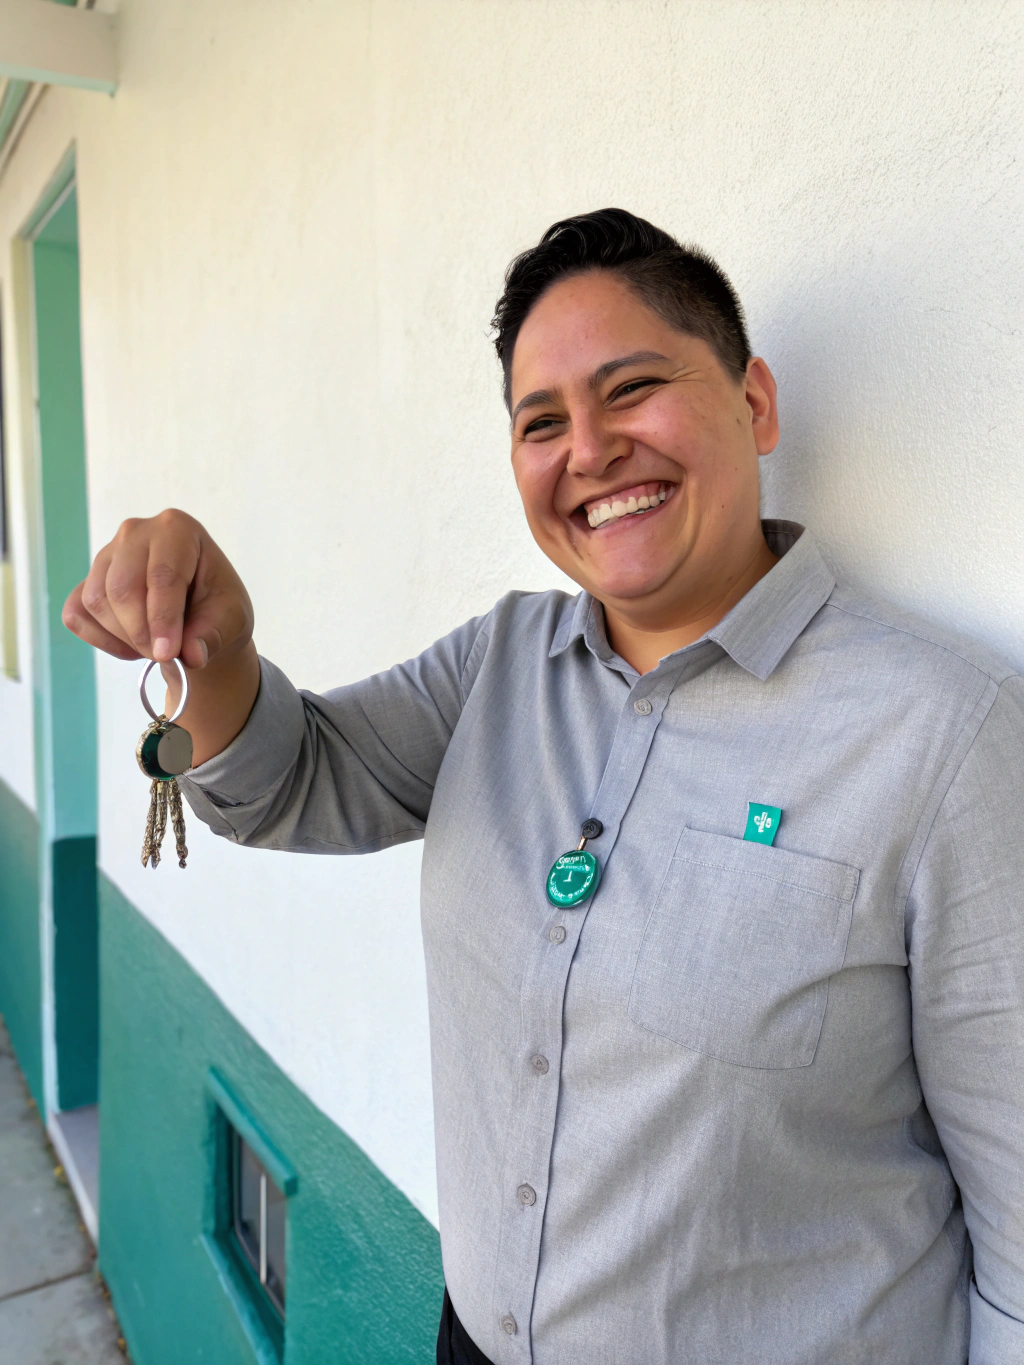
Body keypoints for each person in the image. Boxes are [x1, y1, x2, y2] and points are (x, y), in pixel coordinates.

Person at [64, 209, 1024, 1365]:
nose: (589, 449)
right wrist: (213, 646)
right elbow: (297, 781)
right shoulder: (498, 663)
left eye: (631, 390)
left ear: (754, 402)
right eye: (541, 422)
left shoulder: (940, 731)